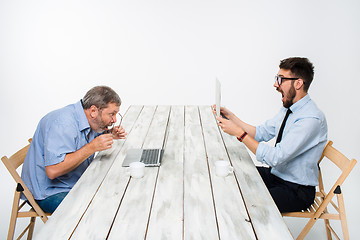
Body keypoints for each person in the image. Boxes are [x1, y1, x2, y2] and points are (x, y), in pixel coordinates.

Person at [215, 57, 328, 213]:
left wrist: (240, 134)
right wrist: (232, 118)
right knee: (233, 174)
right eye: (277, 78)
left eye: (280, 79)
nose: (276, 84)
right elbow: (261, 132)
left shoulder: (311, 119)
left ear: (298, 83)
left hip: (296, 190)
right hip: (276, 176)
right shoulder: (289, 108)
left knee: (244, 200)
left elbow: (276, 157)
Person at [21, 86, 127, 213]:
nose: (114, 120)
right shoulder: (63, 124)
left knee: (117, 193)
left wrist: (110, 133)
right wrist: (92, 147)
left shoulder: (85, 117)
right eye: (111, 114)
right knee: (99, 209)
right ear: (93, 110)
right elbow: (53, 170)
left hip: (72, 182)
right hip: (49, 192)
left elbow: (84, 138)